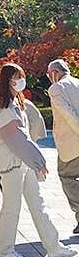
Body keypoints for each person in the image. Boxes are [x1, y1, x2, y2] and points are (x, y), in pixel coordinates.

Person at [0, 63, 76, 257]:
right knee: (12, 207)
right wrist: (37, 160)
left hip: (21, 163)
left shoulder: (14, 102)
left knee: (38, 204)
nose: (22, 80)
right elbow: (17, 139)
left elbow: (24, 134)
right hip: (12, 164)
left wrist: (34, 160)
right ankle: (4, 249)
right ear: (10, 80)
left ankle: (53, 246)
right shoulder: (4, 106)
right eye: (19, 76)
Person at [47, 58, 79, 235]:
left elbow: (68, 115)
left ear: (55, 72)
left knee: (67, 177)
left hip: (72, 144)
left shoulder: (56, 88)